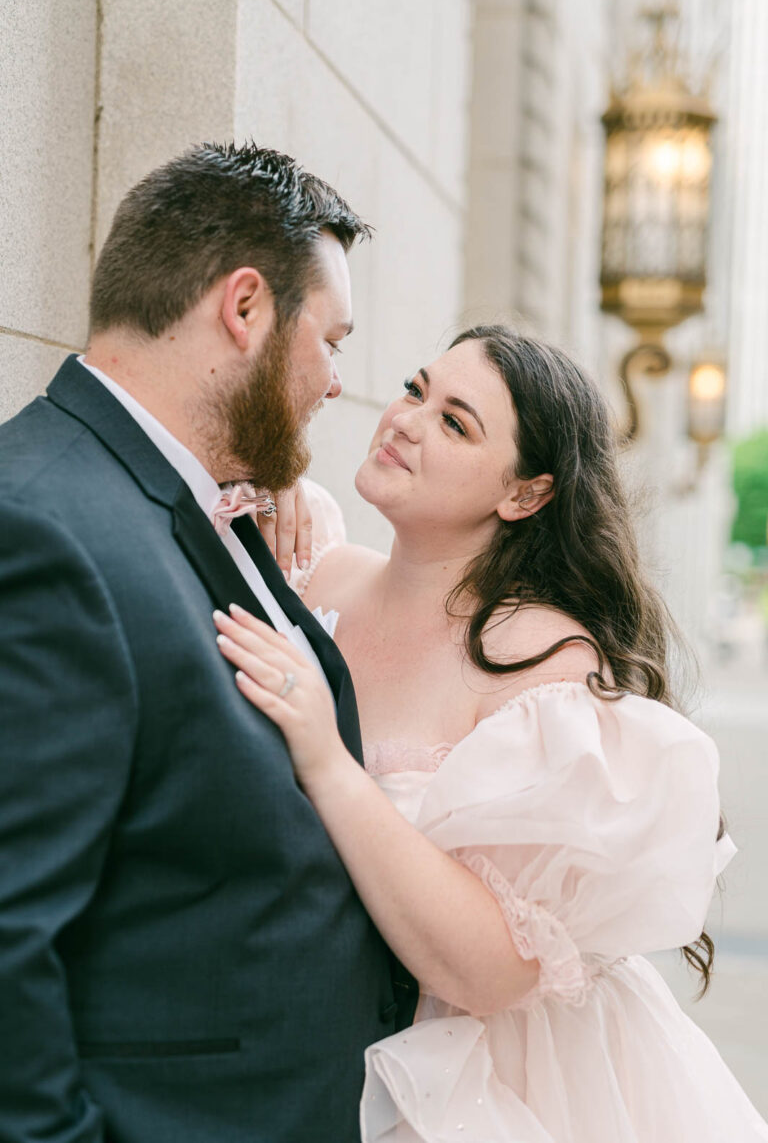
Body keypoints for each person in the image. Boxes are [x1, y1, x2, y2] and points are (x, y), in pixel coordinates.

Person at [215, 325, 768, 1142]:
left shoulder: (540, 664)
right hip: (288, 1039)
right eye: (414, 388)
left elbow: (490, 970)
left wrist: (328, 759)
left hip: (480, 1085)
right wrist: (257, 475)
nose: (405, 420)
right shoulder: (307, 569)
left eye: (455, 422)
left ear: (526, 494)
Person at [0, 142, 416, 1143]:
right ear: (245, 307)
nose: (333, 383)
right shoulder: (45, 527)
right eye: (331, 338)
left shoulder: (179, 501)